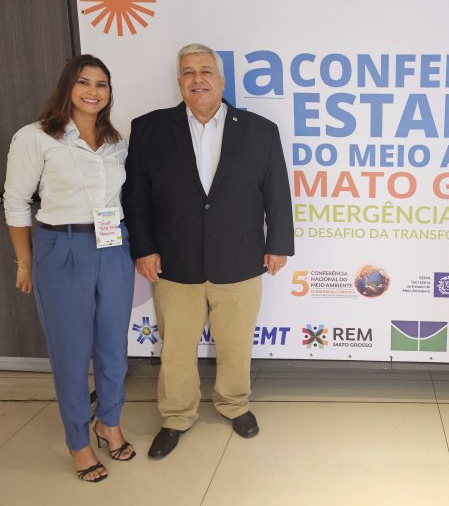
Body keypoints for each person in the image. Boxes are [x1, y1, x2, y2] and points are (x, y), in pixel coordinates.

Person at [123, 43, 294, 459]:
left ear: (221, 80)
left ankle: (234, 404)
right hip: (173, 259)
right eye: (188, 72)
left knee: (235, 344)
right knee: (176, 348)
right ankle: (176, 416)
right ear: (178, 81)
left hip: (240, 258)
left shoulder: (259, 130)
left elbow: (276, 191)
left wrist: (278, 244)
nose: (196, 79)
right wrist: (143, 248)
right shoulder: (148, 129)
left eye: (205, 71)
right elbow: (136, 197)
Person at [4, 55, 136, 482]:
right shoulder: (36, 137)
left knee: (113, 349)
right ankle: (79, 441)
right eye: (83, 82)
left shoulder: (116, 140)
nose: (93, 91)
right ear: (67, 86)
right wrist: (25, 262)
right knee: (71, 354)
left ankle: (109, 423)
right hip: (61, 247)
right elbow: (16, 202)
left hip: (113, 245)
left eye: (101, 84)